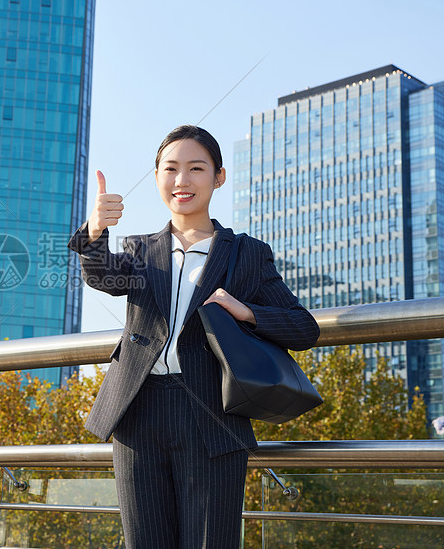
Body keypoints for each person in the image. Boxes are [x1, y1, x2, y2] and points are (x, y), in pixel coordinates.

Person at [68, 125, 320, 548]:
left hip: (212, 415)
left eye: (196, 168)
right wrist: (95, 234)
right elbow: (100, 277)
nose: (181, 180)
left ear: (218, 177)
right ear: (156, 178)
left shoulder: (247, 253)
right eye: (170, 169)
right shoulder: (139, 249)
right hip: (138, 411)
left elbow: (303, 327)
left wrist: (247, 312)